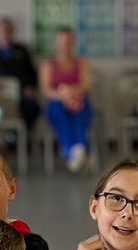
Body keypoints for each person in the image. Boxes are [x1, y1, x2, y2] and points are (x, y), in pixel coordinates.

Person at [39, 28, 92, 174]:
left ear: (73, 43)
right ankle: (72, 151)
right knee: (61, 116)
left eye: (68, 41)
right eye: (62, 41)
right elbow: (46, 89)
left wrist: (71, 91)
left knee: (79, 113)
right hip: (57, 102)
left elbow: (85, 85)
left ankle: (78, 148)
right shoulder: (48, 65)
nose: (65, 45)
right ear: (57, 43)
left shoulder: (81, 63)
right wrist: (63, 94)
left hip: (77, 100)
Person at [0, 16, 39, 129]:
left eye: (7, 30)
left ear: (13, 31)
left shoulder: (23, 51)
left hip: (21, 95)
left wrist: (30, 87)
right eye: (2, 30)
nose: (5, 33)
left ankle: (23, 135)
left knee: (32, 108)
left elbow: (32, 74)